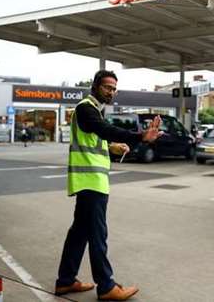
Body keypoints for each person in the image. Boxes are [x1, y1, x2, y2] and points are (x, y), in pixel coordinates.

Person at [55, 70, 162, 301]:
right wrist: (140, 136)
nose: (111, 92)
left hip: (90, 181)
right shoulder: (86, 108)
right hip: (92, 182)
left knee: (79, 233)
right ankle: (106, 286)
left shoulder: (93, 111)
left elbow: (95, 137)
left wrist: (112, 148)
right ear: (95, 86)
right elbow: (103, 130)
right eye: (107, 87)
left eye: (114, 88)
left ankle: (65, 281)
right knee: (97, 234)